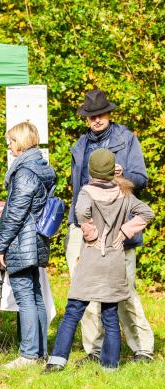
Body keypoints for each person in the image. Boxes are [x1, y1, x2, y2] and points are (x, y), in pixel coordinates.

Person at [46, 149, 154, 372]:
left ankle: (57, 361)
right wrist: (124, 232)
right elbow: (146, 212)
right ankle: (110, 367)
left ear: (91, 170)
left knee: (74, 310)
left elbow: (81, 211)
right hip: (114, 261)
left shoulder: (86, 192)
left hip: (91, 260)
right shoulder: (124, 193)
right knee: (110, 314)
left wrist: (90, 233)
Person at [66, 89, 153, 363]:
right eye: (91, 116)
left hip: (117, 226)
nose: (96, 120)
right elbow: (76, 188)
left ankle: (143, 348)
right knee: (83, 290)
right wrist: (76, 225)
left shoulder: (126, 140)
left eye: (100, 114)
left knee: (124, 291)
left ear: (109, 113)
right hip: (83, 225)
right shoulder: (80, 145)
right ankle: (94, 349)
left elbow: (141, 178)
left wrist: (122, 174)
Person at [0, 122, 56, 369]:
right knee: (36, 295)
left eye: (11, 141)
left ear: (20, 142)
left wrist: (0, 247)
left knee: (25, 297)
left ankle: (29, 354)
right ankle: (40, 352)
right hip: (36, 237)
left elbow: (15, 213)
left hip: (22, 240)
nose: (9, 146)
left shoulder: (25, 172)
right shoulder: (41, 166)